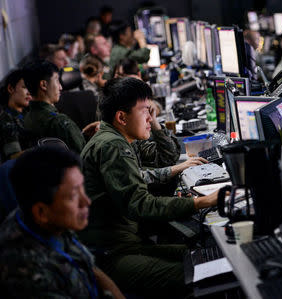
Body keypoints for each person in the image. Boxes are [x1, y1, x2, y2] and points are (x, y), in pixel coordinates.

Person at [80, 77, 218, 297]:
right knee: (203, 273)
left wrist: (152, 122)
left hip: (124, 245)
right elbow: (141, 205)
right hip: (112, 255)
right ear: (121, 117)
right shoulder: (112, 145)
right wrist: (203, 201)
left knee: (204, 253)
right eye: (145, 110)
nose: (149, 117)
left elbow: (159, 163)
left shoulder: (116, 138)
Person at [0, 145, 125, 299]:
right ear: (41, 212)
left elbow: (90, 267)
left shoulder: (48, 219)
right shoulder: (29, 276)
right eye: (73, 195)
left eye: (82, 188)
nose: (86, 202)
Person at [23, 60, 86, 153]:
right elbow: (84, 156)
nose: (60, 87)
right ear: (43, 85)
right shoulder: (59, 122)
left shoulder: (27, 118)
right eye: (57, 80)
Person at [0, 69, 33, 161]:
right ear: (11, 88)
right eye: (25, 87)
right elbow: (13, 156)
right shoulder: (6, 119)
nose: (29, 92)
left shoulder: (29, 113)